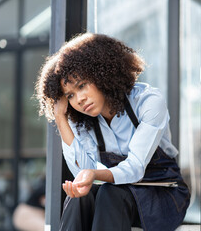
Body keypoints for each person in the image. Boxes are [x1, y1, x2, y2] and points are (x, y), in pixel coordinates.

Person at [35, 33, 190, 231]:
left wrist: (93, 174)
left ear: (102, 75)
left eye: (82, 85)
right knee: (78, 199)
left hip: (162, 193)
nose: (79, 99)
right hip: (120, 201)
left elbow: (135, 168)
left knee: (110, 192)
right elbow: (82, 171)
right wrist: (60, 118)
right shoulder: (83, 119)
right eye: (70, 95)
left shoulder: (147, 102)